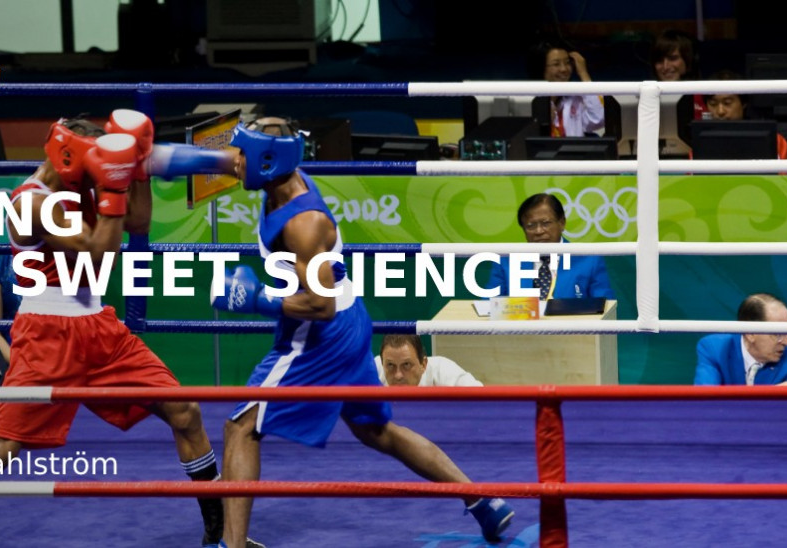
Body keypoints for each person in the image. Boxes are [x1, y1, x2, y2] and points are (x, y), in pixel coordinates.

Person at [0, 112, 249, 548]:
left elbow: (138, 222)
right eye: (92, 164)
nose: (96, 173)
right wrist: (114, 186)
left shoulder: (81, 180)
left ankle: (217, 536)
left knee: (186, 412)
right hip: (46, 334)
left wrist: (138, 170)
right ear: (67, 157)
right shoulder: (31, 203)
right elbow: (98, 255)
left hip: (99, 327)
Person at [211, 117, 514, 547]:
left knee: (241, 427)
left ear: (266, 162)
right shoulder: (281, 175)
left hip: (319, 335)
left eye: (243, 154)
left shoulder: (303, 224)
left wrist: (257, 299)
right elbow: (221, 159)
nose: (234, 161)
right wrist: (154, 160)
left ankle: (231, 545)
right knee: (376, 430)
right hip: (351, 320)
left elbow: (319, 305)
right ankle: (483, 501)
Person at [487, 193, 616, 300]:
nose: (539, 231)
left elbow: (606, 308)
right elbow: (487, 308)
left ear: (562, 223)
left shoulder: (589, 260)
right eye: (531, 225)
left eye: (546, 223)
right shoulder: (506, 262)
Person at [693, 293, 787, 385]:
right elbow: (706, 399)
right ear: (750, 333)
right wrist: (775, 392)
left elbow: (786, 407)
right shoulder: (715, 349)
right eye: (778, 334)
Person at [701, 70, 787, 159]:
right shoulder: (698, 142)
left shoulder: (775, 141)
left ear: (743, 103)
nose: (720, 111)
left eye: (727, 103)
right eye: (713, 104)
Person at [529, 40, 605, 137]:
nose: (564, 69)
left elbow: (598, 119)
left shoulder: (574, 99)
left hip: (573, 147)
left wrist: (584, 74)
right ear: (541, 68)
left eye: (567, 63)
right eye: (556, 64)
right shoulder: (530, 99)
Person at [375, 334, 483, 387]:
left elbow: (484, 400)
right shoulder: (374, 371)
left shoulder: (444, 372)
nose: (398, 375)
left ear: (423, 364)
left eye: (406, 365)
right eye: (390, 365)